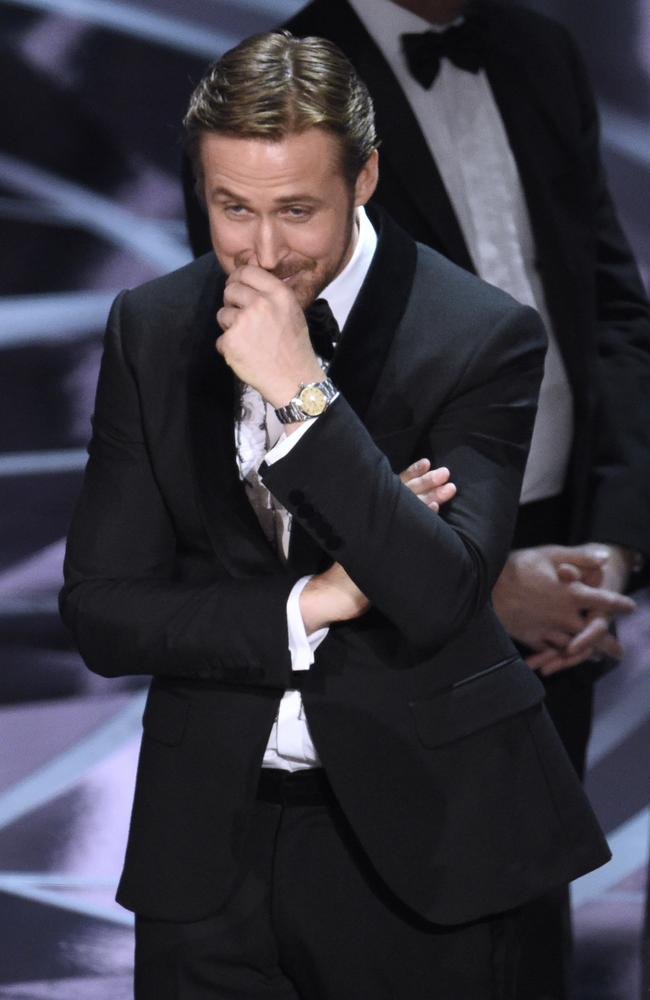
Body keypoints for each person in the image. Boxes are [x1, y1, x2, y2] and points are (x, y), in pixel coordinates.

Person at [62, 32, 610, 1000]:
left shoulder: (478, 336)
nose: (263, 250)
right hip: (207, 854)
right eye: (231, 207)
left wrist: (301, 396)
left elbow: (438, 592)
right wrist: (312, 601)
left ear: (363, 176)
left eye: (295, 210)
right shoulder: (150, 326)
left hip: (425, 851)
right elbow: (105, 612)